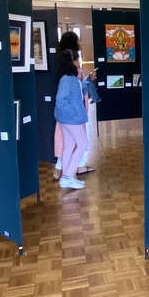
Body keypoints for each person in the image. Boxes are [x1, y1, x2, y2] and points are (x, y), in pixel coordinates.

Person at [53, 31, 95, 180]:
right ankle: (68, 172)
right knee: (79, 141)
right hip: (72, 111)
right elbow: (71, 86)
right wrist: (83, 77)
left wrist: (83, 78)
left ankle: (63, 170)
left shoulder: (60, 61)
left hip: (70, 111)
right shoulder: (70, 62)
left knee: (68, 140)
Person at [54, 50, 89, 189]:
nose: (78, 62)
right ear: (71, 61)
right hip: (71, 120)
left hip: (68, 119)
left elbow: (78, 95)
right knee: (82, 144)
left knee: (69, 146)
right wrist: (73, 114)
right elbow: (60, 100)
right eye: (76, 59)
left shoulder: (71, 78)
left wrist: (84, 81)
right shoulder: (67, 79)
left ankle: (66, 177)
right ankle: (68, 176)